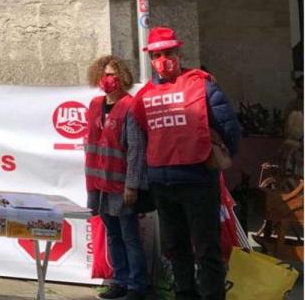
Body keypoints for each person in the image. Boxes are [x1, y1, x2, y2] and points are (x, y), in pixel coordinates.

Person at [132, 26, 241, 300]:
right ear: (150, 58)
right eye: (157, 55)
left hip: (196, 180)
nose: (163, 60)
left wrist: (220, 156)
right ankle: (185, 294)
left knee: (206, 248)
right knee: (176, 246)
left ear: (179, 54)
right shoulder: (144, 96)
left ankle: (210, 295)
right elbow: (145, 133)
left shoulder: (201, 85)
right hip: (164, 183)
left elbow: (229, 127)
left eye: (168, 53)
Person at [84, 55, 149, 300]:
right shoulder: (94, 105)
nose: (107, 79)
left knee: (130, 236)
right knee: (112, 234)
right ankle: (119, 280)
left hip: (121, 184)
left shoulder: (130, 106)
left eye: (112, 74)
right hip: (98, 184)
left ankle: (137, 285)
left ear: (122, 77)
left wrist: (132, 185)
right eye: (104, 74)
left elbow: (136, 149)